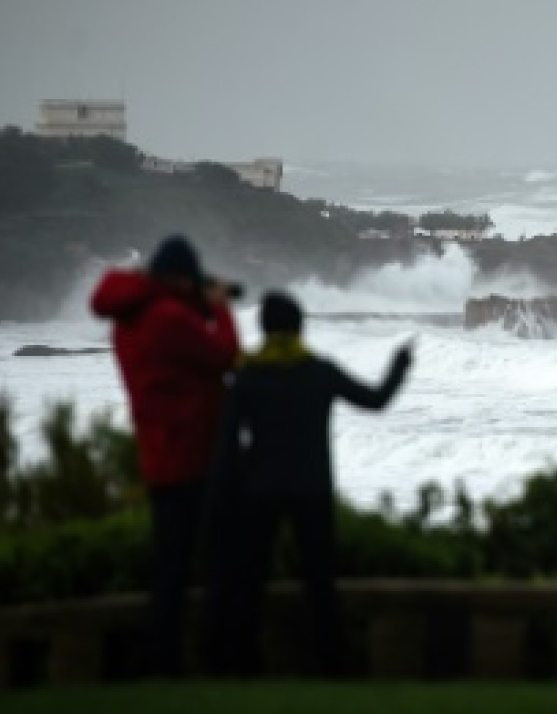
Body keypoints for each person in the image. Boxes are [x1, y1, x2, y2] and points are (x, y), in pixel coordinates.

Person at [216, 290, 413, 676]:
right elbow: (375, 400)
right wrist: (399, 365)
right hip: (312, 488)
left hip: (260, 490)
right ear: (300, 327)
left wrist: (224, 496)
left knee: (252, 580)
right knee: (320, 581)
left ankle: (243, 663)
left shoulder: (246, 377)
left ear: (263, 327)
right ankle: (331, 664)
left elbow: (226, 447)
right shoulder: (319, 372)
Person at [90, 234, 242, 676]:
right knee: (218, 560)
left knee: (170, 564)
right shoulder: (168, 317)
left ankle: (164, 659)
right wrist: (220, 309)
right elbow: (225, 355)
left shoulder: (131, 318)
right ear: (179, 279)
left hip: (159, 454)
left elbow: (179, 360)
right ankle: (216, 658)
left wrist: (195, 303)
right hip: (195, 453)